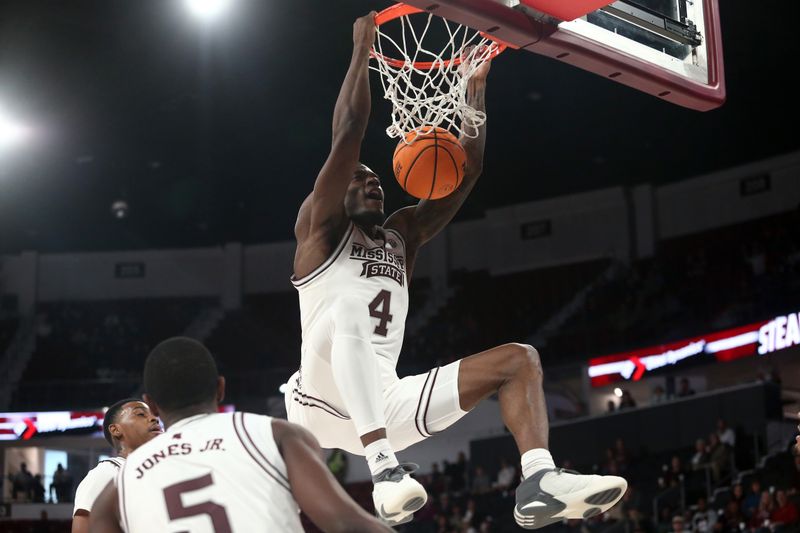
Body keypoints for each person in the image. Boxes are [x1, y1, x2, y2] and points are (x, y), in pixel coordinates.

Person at [285, 11, 627, 529]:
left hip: (384, 403)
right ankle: (383, 472)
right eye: (359, 179)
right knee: (350, 303)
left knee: (520, 360)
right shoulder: (318, 230)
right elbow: (349, 132)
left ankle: (538, 481)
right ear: (334, 190)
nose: (371, 182)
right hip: (320, 400)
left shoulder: (402, 235)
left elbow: (467, 174)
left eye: (377, 179)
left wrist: (474, 95)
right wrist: (361, 48)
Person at [90, 337, 391, 533]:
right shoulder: (276, 434)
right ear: (220, 388)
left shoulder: (116, 487)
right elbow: (344, 523)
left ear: (152, 404)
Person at [72, 398, 163, 533]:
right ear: (115, 430)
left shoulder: (163, 471)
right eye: (140, 414)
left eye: (154, 415)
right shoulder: (106, 473)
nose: (154, 419)